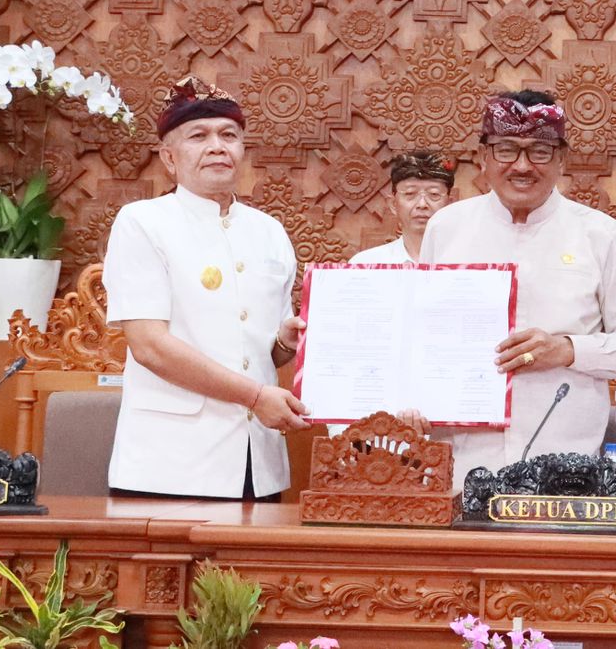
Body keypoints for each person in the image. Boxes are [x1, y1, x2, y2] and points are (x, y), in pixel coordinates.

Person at [419, 90, 616, 490]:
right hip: (461, 469)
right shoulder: (446, 228)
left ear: (562, 159)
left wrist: (567, 350)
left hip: (566, 476)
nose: (522, 165)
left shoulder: (600, 235)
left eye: (540, 151)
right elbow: (422, 334)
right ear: (482, 156)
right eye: (506, 149)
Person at [103, 75, 308, 501]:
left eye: (229, 135)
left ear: (242, 151)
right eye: (199, 136)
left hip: (258, 464)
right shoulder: (143, 222)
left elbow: (259, 353)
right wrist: (255, 396)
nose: (217, 146)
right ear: (169, 157)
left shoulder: (269, 232)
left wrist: (284, 344)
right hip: (169, 466)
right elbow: (150, 347)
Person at [350, 150, 457, 265]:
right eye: (410, 193)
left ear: (449, 205)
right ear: (393, 204)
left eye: (434, 194)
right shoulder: (366, 264)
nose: (422, 204)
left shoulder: (466, 262)